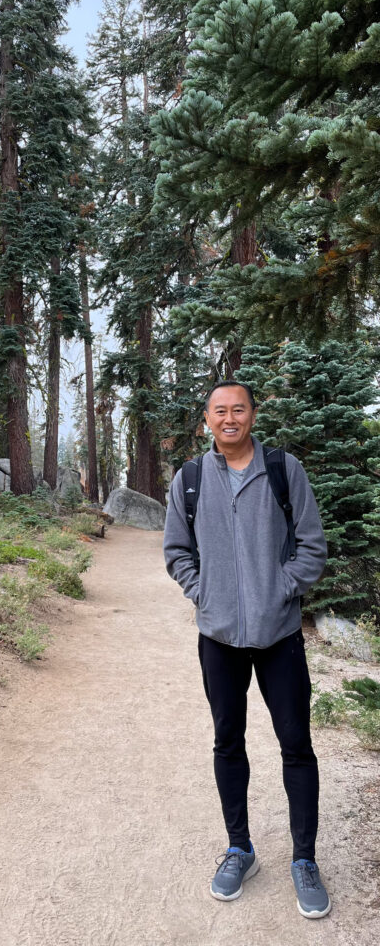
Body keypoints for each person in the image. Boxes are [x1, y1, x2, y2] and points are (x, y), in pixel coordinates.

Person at [163, 380, 331, 919]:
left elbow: (311, 544)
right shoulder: (189, 480)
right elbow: (176, 551)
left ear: (252, 415)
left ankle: (304, 858)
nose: (229, 418)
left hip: (279, 634)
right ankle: (240, 848)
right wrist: (203, 591)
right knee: (227, 742)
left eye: (239, 409)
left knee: (296, 745)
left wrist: (280, 590)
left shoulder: (284, 470)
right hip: (218, 637)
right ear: (206, 420)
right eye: (219, 411)